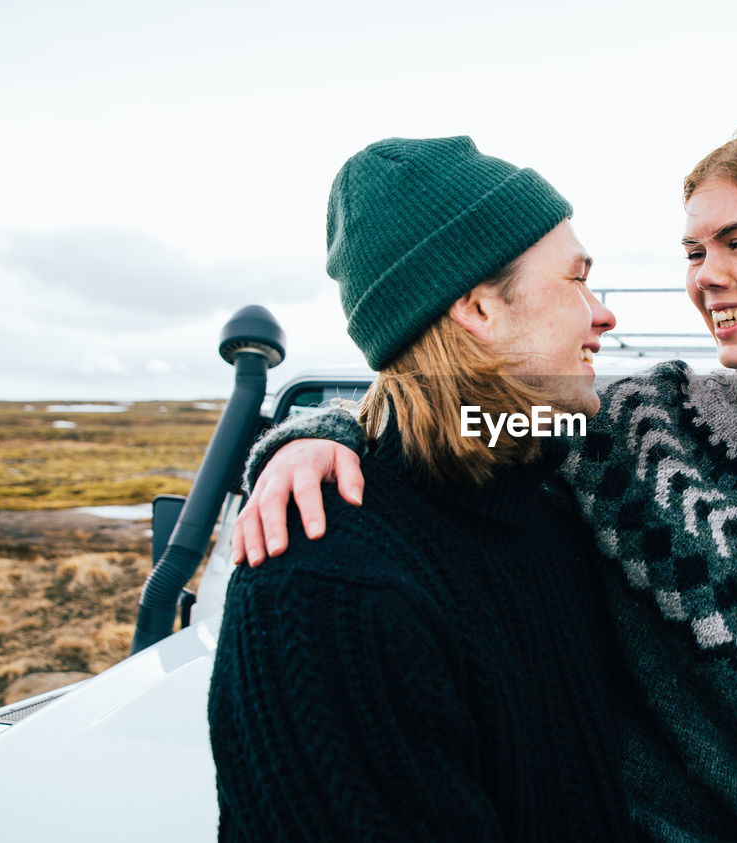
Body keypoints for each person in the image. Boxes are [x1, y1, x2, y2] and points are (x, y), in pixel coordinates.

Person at [235, 118, 737, 841]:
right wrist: (312, 436)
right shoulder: (638, 430)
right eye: (694, 253)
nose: (710, 276)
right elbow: (453, 426)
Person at [207, 136, 632, 841]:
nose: (603, 314)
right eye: (576, 280)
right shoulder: (325, 588)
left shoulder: (556, 510)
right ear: (477, 309)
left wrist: (323, 427)